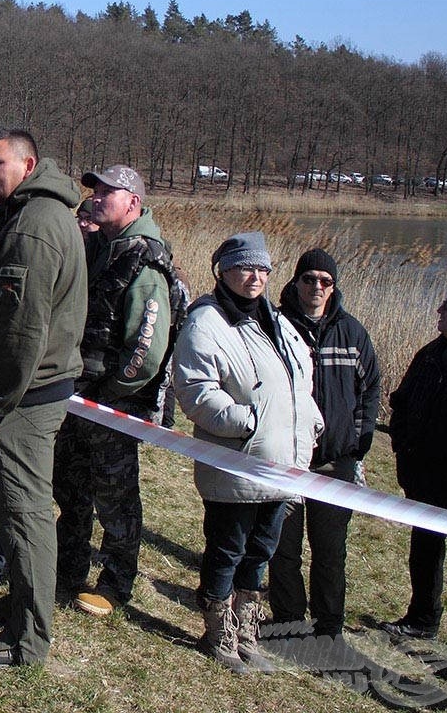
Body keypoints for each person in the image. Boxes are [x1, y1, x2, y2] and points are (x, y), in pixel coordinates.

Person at [0, 128, 87, 668]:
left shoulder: (34, 228)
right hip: (28, 392)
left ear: (28, 164)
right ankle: (21, 612)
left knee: (24, 513)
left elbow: (22, 331)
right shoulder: (31, 214)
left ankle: (26, 641)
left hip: (24, 399)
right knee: (17, 511)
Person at [172, 232, 321, 673]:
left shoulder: (277, 321)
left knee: (261, 551)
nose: (254, 277)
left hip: (284, 463)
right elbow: (195, 389)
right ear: (224, 271)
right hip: (238, 461)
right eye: (244, 268)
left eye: (262, 269)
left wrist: (310, 421)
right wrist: (246, 423)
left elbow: (299, 382)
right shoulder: (206, 321)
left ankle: (245, 626)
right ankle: (218, 632)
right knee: (227, 549)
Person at [56, 164, 173, 617]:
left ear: (134, 203)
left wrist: (109, 397)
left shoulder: (143, 259)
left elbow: (147, 347)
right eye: (96, 190)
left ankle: (115, 583)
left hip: (112, 404)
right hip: (80, 395)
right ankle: (68, 569)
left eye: (110, 191)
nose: (98, 197)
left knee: (116, 499)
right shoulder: (100, 247)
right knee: (70, 487)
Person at [268, 248, 380, 638]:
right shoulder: (276, 326)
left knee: (330, 551)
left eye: (325, 281)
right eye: (309, 279)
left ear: (334, 288)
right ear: (295, 282)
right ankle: (287, 618)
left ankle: (328, 624)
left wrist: (358, 442)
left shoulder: (352, 333)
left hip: (336, 462)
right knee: (283, 547)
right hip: (287, 457)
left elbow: (370, 391)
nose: (316, 287)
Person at [380, 285, 447, 672]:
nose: (438, 310)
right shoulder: (430, 354)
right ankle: (421, 620)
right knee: (424, 551)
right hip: (425, 479)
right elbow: (400, 401)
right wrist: (401, 442)